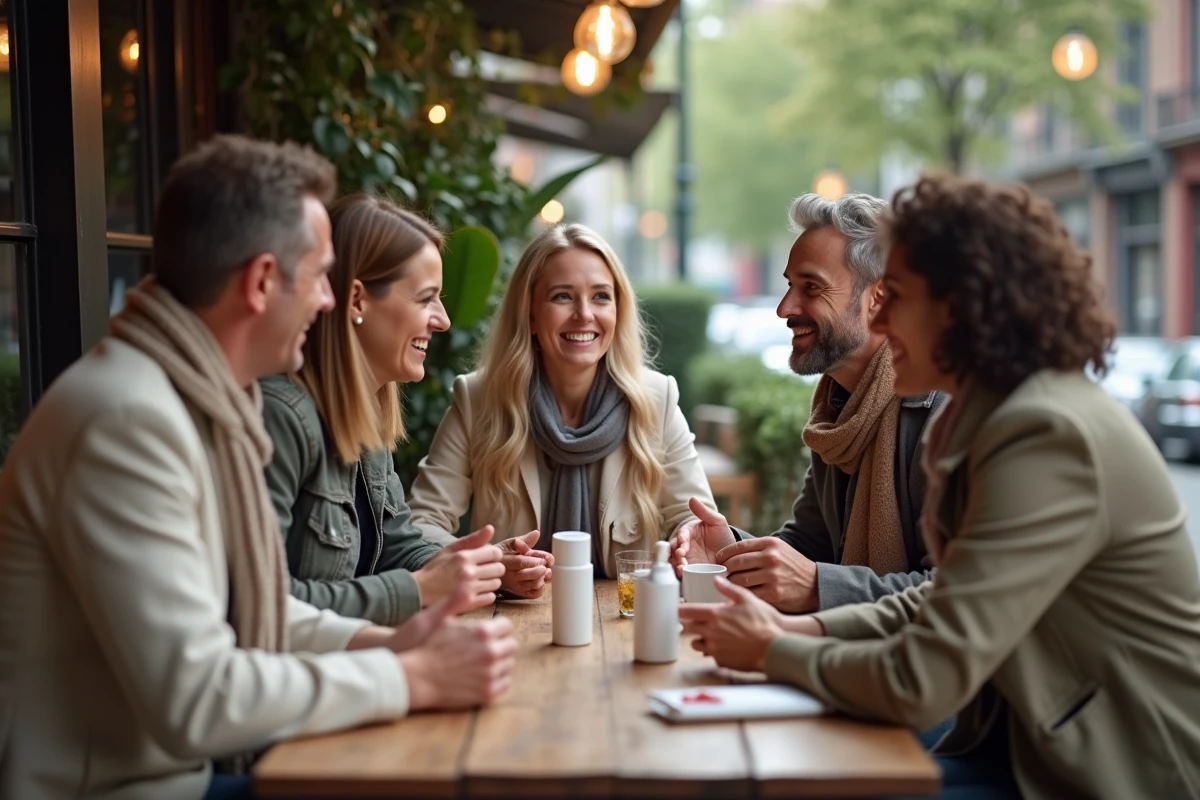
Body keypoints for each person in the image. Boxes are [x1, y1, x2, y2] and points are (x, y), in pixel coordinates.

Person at [0, 135, 517, 800]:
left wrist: (388, 646)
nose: (328, 303)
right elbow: (197, 696)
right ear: (262, 282)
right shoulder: (128, 421)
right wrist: (411, 679)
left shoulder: (201, 399)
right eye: (317, 278)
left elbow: (253, 611)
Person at [679, 174, 1200, 799]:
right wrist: (788, 630)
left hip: (1106, 772)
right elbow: (940, 602)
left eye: (895, 294)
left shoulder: (1044, 432)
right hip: (1014, 740)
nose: (882, 313)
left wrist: (774, 650)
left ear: (958, 306)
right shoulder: (984, 413)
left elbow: (927, 674)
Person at [261, 193, 549, 624]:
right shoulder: (280, 419)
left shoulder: (364, 415)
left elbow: (395, 546)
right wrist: (419, 589)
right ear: (357, 301)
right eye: (425, 298)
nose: (443, 320)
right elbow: (267, 604)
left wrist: (479, 564)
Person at [670, 192, 945, 612]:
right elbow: (809, 546)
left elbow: (953, 595)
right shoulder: (839, 412)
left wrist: (821, 588)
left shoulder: (943, 413)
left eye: (811, 287)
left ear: (879, 299)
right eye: (788, 286)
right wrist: (729, 550)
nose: (784, 308)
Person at [407, 223, 716, 580]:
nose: (584, 314)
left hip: (623, 620)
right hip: (511, 619)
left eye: (601, 296)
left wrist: (688, 536)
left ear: (618, 310)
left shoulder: (656, 400)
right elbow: (422, 524)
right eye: (562, 297)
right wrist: (491, 567)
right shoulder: (478, 400)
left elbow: (694, 518)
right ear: (531, 314)